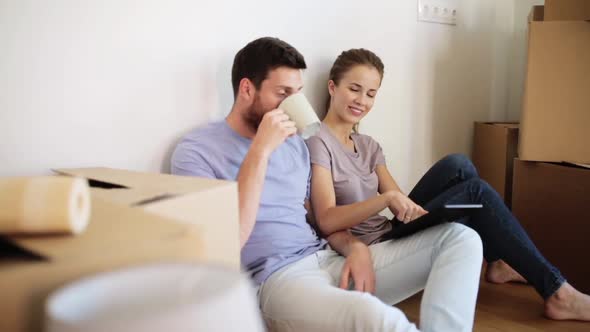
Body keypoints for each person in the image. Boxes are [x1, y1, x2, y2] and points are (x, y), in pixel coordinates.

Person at [171, 37, 484, 332]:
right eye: (282, 94)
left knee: (461, 239)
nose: (291, 104)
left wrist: (355, 247)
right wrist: (260, 151)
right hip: (277, 280)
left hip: (328, 257)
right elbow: (221, 245)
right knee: (375, 317)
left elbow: (319, 220)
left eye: (297, 93)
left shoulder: (295, 145)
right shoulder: (197, 151)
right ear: (247, 90)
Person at [305, 47, 590, 322]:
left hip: (393, 229)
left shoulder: (368, 145)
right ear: (332, 87)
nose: (362, 101)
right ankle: (557, 292)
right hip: (374, 243)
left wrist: (430, 210)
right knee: (476, 195)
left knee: (459, 165)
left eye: (371, 94)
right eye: (354, 89)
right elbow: (327, 219)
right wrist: (385, 200)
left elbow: (402, 203)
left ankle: (498, 262)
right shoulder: (319, 143)